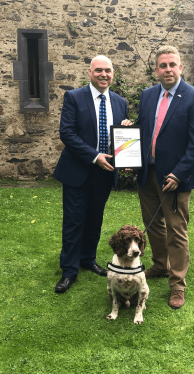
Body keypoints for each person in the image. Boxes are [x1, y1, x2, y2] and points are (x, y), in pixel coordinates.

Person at [124, 46, 194, 309]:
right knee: (153, 225)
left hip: (175, 179)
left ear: (180, 68)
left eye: (172, 65)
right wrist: (130, 134)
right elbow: (147, 128)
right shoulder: (148, 95)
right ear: (157, 70)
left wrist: (180, 174)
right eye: (163, 65)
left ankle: (177, 285)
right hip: (147, 174)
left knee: (177, 231)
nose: (168, 69)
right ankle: (160, 266)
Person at [53, 55, 128, 293]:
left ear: (113, 73)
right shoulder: (74, 97)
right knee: (74, 221)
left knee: (95, 219)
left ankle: (87, 259)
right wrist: (95, 156)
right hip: (78, 170)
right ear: (90, 72)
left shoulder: (120, 102)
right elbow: (67, 133)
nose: (104, 74)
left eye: (108, 70)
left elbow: (120, 139)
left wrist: (126, 139)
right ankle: (69, 269)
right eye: (99, 71)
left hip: (105, 172)